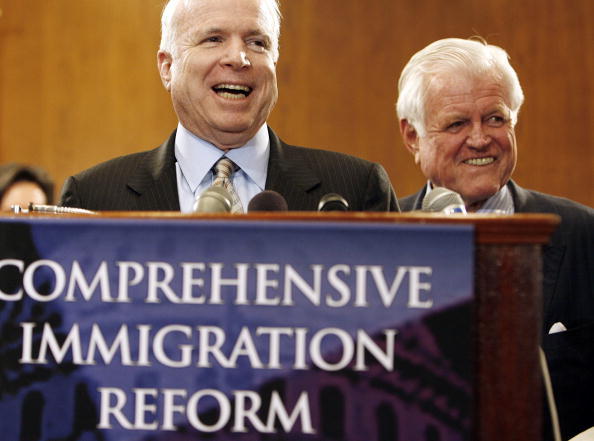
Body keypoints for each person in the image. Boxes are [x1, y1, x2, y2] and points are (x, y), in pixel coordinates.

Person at [395, 37, 594, 440]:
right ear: (413, 136)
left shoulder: (582, 236)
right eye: (456, 123)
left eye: (495, 119)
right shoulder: (380, 237)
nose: (481, 138)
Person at [59, 0, 397, 212]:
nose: (239, 58)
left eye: (256, 42)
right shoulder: (94, 198)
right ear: (167, 67)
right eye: (213, 39)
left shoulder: (357, 189)